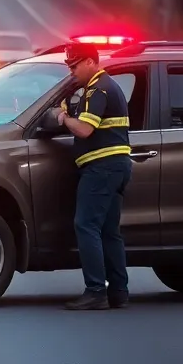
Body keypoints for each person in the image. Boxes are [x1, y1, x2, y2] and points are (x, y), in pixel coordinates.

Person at [53, 42, 133, 311]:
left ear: (90, 61)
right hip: (116, 167)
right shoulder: (104, 87)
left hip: (102, 168)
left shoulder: (98, 88)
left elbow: (85, 130)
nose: (72, 71)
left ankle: (96, 291)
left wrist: (63, 117)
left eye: (74, 65)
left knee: (85, 225)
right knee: (110, 231)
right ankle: (119, 293)